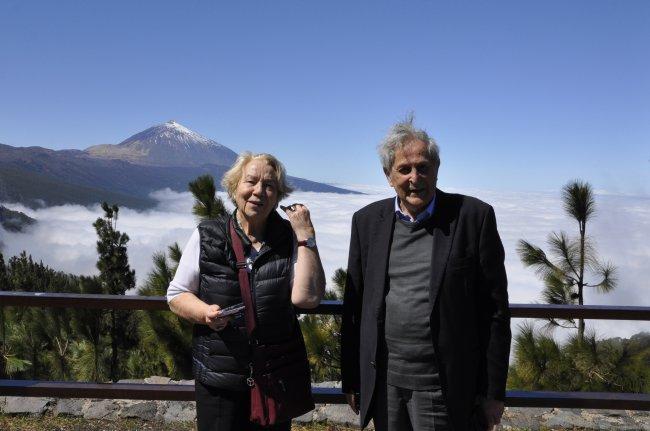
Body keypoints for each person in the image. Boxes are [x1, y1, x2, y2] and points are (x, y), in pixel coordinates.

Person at [341, 118, 511, 431]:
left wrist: (492, 393)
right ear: (388, 176)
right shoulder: (367, 222)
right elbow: (355, 308)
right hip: (385, 384)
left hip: (444, 386)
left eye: (423, 167)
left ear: (437, 169)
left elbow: (495, 313)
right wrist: (352, 378)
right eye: (404, 169)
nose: (414, 177)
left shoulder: (472, 217)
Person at [167, 152, 326, 431]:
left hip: (273, 377)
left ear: (277, 195)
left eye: (269, 186)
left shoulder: (289, 239)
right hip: (219, 379)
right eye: (250, 182)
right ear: (234, 187)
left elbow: (307, 298)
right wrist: (204, 313)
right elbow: (177, 294)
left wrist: (306, 237)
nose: (258, 191)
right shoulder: (208, 235)